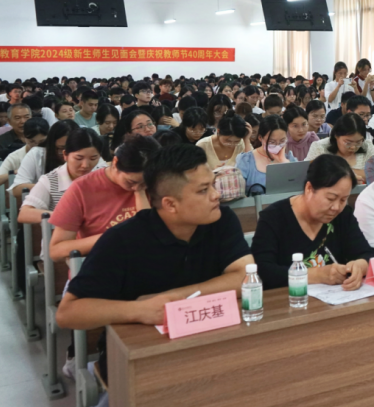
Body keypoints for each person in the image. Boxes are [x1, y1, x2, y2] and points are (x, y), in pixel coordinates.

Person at [55, 144, 253, 381]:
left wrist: (174, 299)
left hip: (206, 339)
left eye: (212, 184)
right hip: (138, 355)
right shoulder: (122, 240)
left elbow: (245, 277)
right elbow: (68, 313)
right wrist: (139, 310)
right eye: (203, 190)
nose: (216, 195)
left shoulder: (221, 220)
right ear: (170, 204)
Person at [252, 154, 374, 290]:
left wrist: (359, 266)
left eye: (343, 200)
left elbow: (368, 254)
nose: (336, 207)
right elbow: (262, 270)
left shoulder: (343, 215)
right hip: (291, 299)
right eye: (330, 198)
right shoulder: (274, 217)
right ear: (309, 188)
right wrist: (316, 275)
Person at [48, 134, 160, 261]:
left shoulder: (156, 185)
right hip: (101, 265)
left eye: (145, 183)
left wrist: (140, 192)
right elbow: (56, 251)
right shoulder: (82, 189)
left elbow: (148, 235)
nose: (137, 187)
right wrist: (113, 237)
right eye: (131, 182)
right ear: (115, 162)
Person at [19, 129, 105, 225]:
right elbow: (25, 213)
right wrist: (67, 217)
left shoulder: (103, 176)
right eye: (79, 158)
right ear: (65, 155)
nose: (85, 165)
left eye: (93, 158)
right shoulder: (50, 180)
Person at [304, 113, 374, 182]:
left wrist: (335, 173)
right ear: (336, 135)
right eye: (348, 143)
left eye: (358, 142)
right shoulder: (320, 147)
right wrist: (352, 175)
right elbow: (309, 174)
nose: (353, 147)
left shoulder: (367, 145)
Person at [235, 115, 294, 191]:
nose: (277, 145)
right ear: (260, 138)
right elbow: (238, 190)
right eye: (272, 142)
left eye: (282, 141)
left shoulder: (290, 159)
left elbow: (298, 186)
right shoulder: (246, 160)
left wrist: (284, 162)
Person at [0, 117, 49, 190]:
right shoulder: (15, 156)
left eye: (42, 142)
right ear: (24, 137)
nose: (36, 146)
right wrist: (16, 172)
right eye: (32, 141)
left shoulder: (53, 153)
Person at [0, 103, 32, 169]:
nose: (23, 121)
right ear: (9, 121)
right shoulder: (1, 141)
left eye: (27, 117)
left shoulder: (40, 138)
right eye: (17, 118)